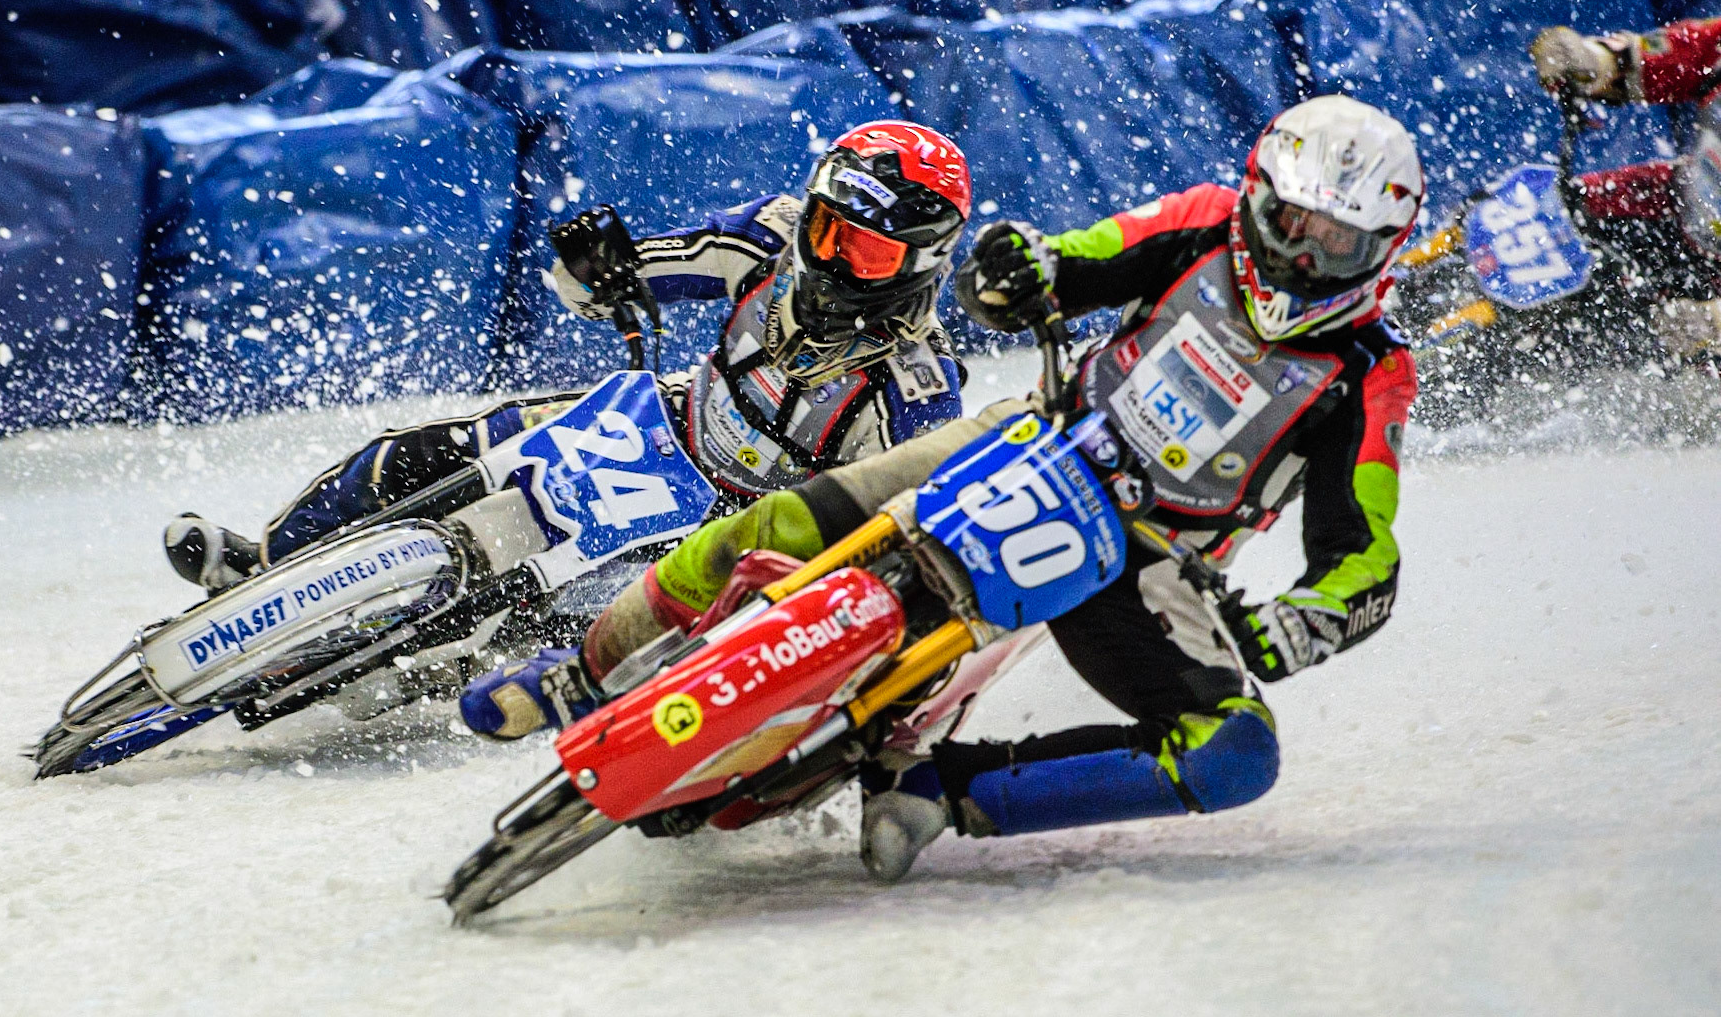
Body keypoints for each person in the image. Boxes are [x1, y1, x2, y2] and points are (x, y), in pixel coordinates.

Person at [539, 95, 1424, 882]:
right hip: (1035, 435)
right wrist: (1017, 270)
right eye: (1291, 223)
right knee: (781, 521)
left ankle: (939, 791)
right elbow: (1067, 260)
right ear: (1258, 194)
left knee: (1234, 755)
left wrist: (1290, 628)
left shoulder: (1373, 374)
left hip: (1146, 557)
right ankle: (583, 669)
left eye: (1336, 241)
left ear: (1380, 250)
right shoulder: (1199, 222)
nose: (1303, 257)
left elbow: (1363, 557)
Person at [161, 121, 976, 730]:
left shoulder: (915, 387)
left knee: (569, 618)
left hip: (732, 524)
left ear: (924, 260)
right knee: (425, 450)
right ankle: (265, 562)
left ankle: (431, 674)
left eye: (866, 254)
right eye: (828, 230)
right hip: (657, 420)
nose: (832, 261)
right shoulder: (769, 234)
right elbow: (627, 275)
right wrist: (596, 268)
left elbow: (884, 531)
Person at [1529, 18, 1721, 353]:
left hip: (1709, 292)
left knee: (1666, 350)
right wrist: (1593, 61)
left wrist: (1716, 320)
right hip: (1676, 201)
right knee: (1554, 209)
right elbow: (1682, 52)